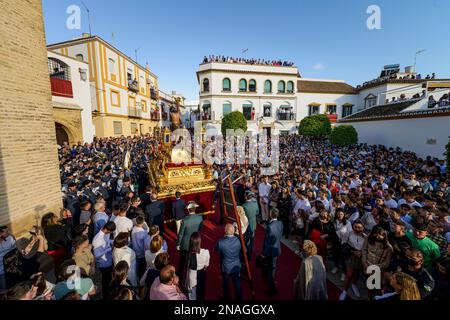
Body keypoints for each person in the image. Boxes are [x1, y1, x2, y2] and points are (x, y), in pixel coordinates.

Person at [361, 226, 393, 298]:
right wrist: (364, 262)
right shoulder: (368, 238)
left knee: (381, 286)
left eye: (380, 235)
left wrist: (375, 267)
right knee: (371, 285)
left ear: (384, 235)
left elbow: (387, 262)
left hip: (379, 269)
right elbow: (364, 250)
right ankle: (369, 297)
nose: (377, 237)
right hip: (368, 265)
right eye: (375, 234)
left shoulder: (389, 248)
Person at [339, 220, 366, 300]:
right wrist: (353, 252)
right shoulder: (348, 233)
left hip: (360, 257)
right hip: (350, 255)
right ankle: (344, 291)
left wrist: (361, 253)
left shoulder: (365, 236)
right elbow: (343, 244)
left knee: (356, 273)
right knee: (349, 274)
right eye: (356, 227)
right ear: (353, 227)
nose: (358, 229)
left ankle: (354, 285)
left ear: (363, 228)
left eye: (360, 227)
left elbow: (366, 248)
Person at [215, 224, 242, 300]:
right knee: (237, 284)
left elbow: (216, 248)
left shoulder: (221, 242)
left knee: (226, 283)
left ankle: (226, 297)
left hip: (226, 266)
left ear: (226, 231)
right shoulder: (238, 240)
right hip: (236, 265)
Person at [176, 201, 203, 277]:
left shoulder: (185, 220)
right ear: (195, 209)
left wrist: (178, 244)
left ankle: (180, 274)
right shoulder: (200, 217)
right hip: (195, 242)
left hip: (185, 244)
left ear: (188, 210)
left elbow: (181, 234)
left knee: (182, 260)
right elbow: (200, 229)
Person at [261, 208, 283, 296]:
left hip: (270, 250)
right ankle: (269, 277)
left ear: (271, 215)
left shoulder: (270, 227)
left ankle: (272, 288)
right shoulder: (280, 223)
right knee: (273, 265)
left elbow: (267, 242)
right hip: (277, 248)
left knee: (270, 268)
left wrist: (263, 253)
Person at [183, 232, 210, 300]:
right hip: (201, 274)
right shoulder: (206, 252)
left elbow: (186, 266)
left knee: (192, 294)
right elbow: (207, 264)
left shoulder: (188, 254)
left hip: (192, 275)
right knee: (201, 291)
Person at [92, 221, 116, 297]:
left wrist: (114, 241)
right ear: (109, 230)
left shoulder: (106, 233)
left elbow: (108, 241)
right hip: (103, 264)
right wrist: (109, 249)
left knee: (109, 280)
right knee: (106, 282)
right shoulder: (97, 239)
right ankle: (106, 296)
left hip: (109, 260)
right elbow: (96, 255)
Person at [242, 191, 259, 259]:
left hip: (247, 225)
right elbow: (257, 212)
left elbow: (243, 217)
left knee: (247, 241)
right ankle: (250, 252)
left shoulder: (244, 206)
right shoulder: (255, 203)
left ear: (246, 197)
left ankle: (248, 255)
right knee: (252, 239)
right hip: (253, 224)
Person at [131, 215, 149, 279]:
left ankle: (137, 276)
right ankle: (140, 278)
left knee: (137, 266)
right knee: (142, 268)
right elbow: (146, 243)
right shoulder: (144, 232)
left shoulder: (133, 228)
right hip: (141, 252)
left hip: (134, 250)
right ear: (142, 222)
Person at [0, 226, 16, 290]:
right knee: (4, 289)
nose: (8, 233)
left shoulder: (10, 238)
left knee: (13, 285)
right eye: (6, 232)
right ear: (0, 233)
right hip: (1, 270)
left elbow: (15, 249)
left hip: (11, 267)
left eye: (8, 231)